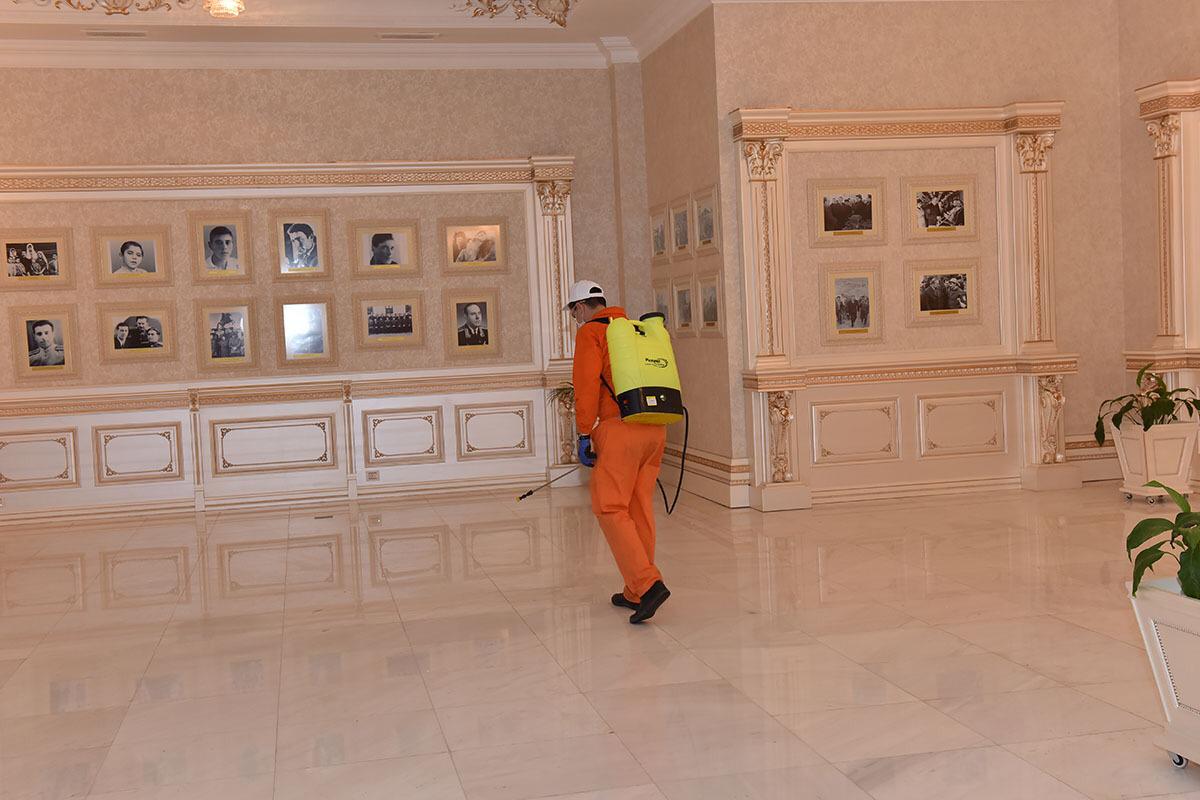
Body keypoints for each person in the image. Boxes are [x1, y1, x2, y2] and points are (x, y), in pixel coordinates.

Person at [568, 279, 670, 624]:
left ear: (580, 307)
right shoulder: (634, 330)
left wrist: (584, 433)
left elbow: (585, 385)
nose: (575, 319)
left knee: (609, 506)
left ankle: (648, 584)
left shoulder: (591, 333)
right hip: (655, 427)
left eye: (573, 313)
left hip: (620, 430)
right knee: (639, 507)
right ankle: (635, 591)